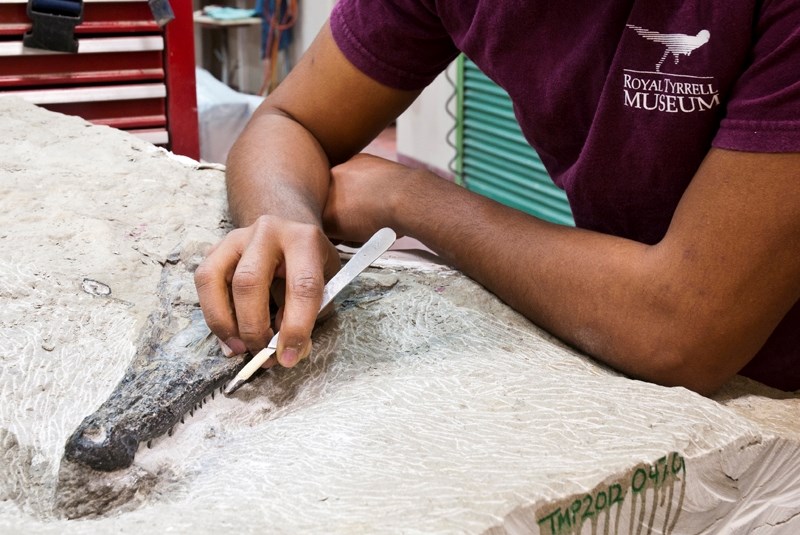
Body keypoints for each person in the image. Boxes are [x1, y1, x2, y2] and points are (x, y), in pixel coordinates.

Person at [195, 0, 800, 395]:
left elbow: (684, 327)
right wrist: (282, 217)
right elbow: (291, 120)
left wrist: (410, 197)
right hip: (644, 354)